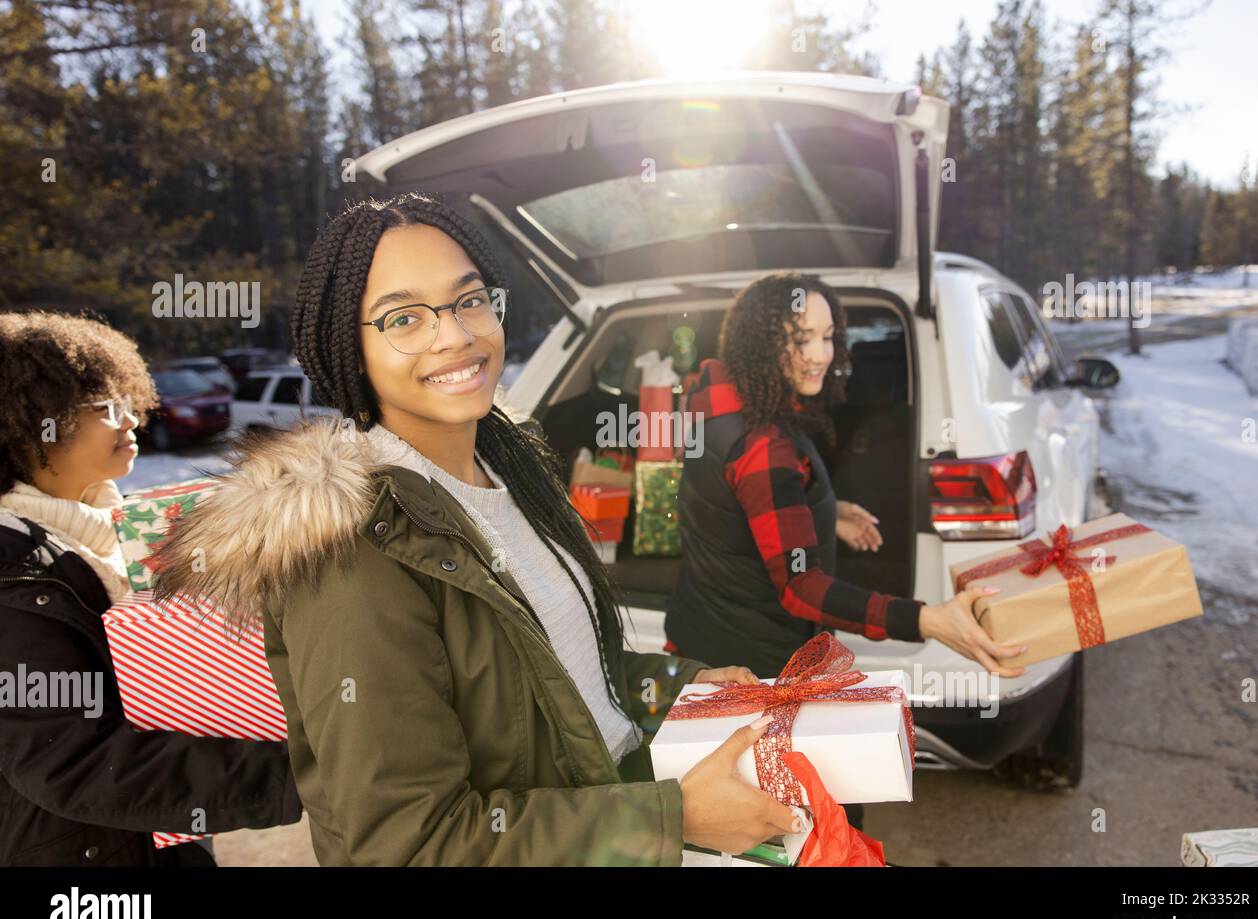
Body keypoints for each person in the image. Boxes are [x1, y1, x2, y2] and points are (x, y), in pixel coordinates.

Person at [155, 193, 799, 865]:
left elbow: (557, 679)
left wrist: (684, 684)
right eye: (404, 317)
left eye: (468, 300)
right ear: (349, 348)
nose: (456, 335)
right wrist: (670, 820)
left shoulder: (510, 469)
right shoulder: (352, 551)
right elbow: (410, 842)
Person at [0, 311, 302, 867]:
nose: (130, 419)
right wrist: (293, 774)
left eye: (126, 401)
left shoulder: (108, 532)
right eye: (103, 409)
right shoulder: (14, 574)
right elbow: (71, 759)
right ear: (28, 427)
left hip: (153, 840)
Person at [665, 273, 1027, 679]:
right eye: (801, 339)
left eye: (828, 336)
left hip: (699, 636)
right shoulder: (762, 445)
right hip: (756, 669)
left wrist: (823, 511)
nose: (821, 355)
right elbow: (800, 587)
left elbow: (735, 504)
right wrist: (927, 620)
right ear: (760, 343)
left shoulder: (714, 398)